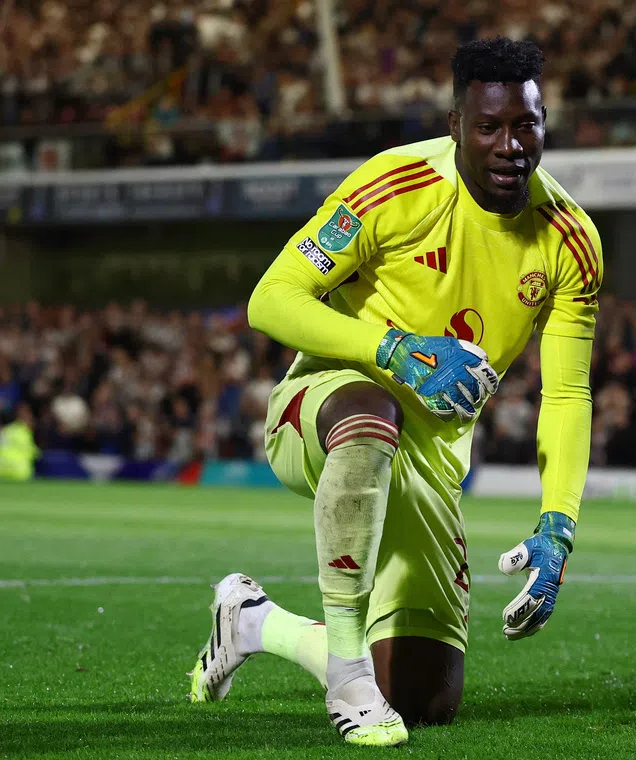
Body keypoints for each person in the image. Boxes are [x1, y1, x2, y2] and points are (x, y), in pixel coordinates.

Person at [186, 37, 601, 747]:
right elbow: (271, 299)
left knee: (423, 699)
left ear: (543, 124)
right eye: (489, 127)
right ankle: (347, 673)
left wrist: (558, 525)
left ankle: (253, 622)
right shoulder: (396, 186)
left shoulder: (569, 242)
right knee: (372, 413)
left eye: (526, 126)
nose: (510, 146)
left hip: (432, 463)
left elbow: (567, 394)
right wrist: (393, 351)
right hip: (324, 408)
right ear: (456, 127)